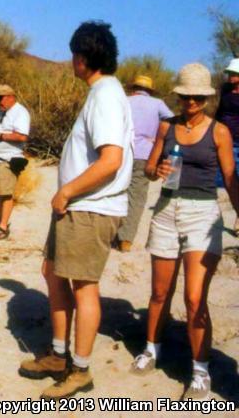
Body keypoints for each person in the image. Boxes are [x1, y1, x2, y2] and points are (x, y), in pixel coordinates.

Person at [18, 21, 133, 399]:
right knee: (53, 273)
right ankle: (57, 353)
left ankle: (79, 369)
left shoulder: (105, 97)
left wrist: (67, 191)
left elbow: (111, 160)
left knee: (84, 288)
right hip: (77, 207)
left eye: (73, 55)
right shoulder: (103, 94)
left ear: (82, 58)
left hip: (90, 207)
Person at [130, 62, 239, 400]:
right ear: (177, 97)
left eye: (196, 98)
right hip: (166, 209)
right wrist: (155, 169)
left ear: (206, 98)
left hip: (203, 213)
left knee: (194, 298)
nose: (190, 103)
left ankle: (201, 369)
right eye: (184, 97)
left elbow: (232, 179)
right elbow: (148, 168)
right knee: (159, 292)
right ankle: (152, 347)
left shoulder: (219, 131)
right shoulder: (166, 128)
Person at [116, 75, 173, 252]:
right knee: (136, 197)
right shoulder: (157, 104)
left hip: (120, 152)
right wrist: (156, 138)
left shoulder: (123, 101)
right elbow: (172, 121)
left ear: (133, 88)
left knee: (116, 191)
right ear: (150, 91)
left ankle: (109, 232)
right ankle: (125, 240)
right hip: (144, 155)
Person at [0, 85, 30, 238]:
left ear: (11, 96)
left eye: (1, 98)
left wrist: (0, 137)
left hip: (8, 160)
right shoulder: (1, 112)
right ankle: (1, 222)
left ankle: (3, 227)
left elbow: (22, 136)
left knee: (5, 194)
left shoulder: (20, 112)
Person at [214, 57, 239, 231]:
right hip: (225, 138)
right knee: (223, 178)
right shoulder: (225, 90)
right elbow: (220, 110)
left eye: (233, 73)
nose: (230, 76)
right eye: (229, 73)